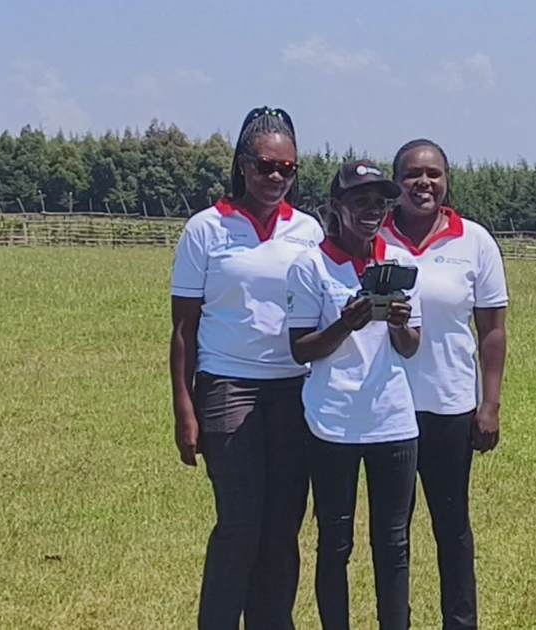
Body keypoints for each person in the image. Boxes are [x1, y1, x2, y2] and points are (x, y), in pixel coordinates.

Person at [169, 106, 324, 630]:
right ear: (241, 165)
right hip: (227, 388)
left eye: (287, 168)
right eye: (264, 166)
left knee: (282, 528)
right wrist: (183, 409)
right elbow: (183, 330)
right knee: (240, 524)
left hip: (293, 391)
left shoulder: (307, 230)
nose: (276, 177)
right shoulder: (205, 229)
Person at [285, 159, 422, 630]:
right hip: (332, 422)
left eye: (380, 203)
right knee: (335, 543)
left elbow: (410, 346)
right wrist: (345, 323)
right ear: (336, 207)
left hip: (393, 421)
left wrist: (401, 326)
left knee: (394, 543)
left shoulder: (400, 263)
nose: (372, 211)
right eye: (360, 201)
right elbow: (301, 350)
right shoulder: (310, 266)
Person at [382, 138, 509, 630]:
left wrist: (489, 403)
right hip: (387, 411)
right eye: (413, 173)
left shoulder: (474, 241)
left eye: (434, 173)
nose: (424, 183)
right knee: (392, 535)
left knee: (452, 529)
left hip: (451, 407)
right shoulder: (376, 238)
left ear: (447, 180)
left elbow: (492, 330)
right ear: (396, 182)